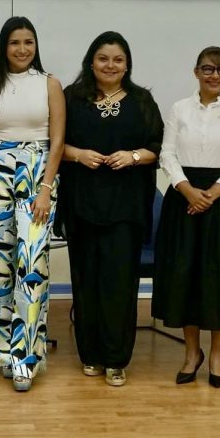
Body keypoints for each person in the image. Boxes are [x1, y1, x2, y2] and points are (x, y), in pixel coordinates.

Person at [58, 31, 163, 387]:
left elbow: (157, 147)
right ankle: (91, 355)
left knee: (119, 283)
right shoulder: (72, 98)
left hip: (125, 207)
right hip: (82, 203)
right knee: (86, 280)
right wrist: (77, 154)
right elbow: (53, 144)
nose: (110, 65)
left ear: (127, 65)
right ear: (91, 62)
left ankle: (117, 359)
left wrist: (132, 156)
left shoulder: (142, 100)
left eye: (118, 60)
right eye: (103, 58)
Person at [152, 46, 220, 388]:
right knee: (185, 277)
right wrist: (188, 191)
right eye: (208, 69)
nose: (215, 75)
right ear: (196, 72)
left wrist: (211, 194)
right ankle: (191, 353)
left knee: (218, 279)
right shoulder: (179, 109)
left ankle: (216, 354)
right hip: (183, 199)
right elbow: (167, 154)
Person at [0, 16, 65, 392]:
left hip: (37, 172)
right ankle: (0, 352)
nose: (22, 49)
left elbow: (58, 141)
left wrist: (45, 188)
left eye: (29, 41)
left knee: (31, 266)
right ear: (4, 46)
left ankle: (26, 358)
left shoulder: (49, 83)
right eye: (15, 42)